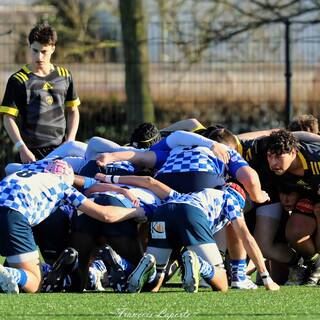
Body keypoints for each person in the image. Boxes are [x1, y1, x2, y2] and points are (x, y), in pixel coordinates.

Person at [94, 174, 279, 293]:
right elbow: (245, 235)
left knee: (155, 284)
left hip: (163, 212)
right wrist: (266, 277)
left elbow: (151, 182)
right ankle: (198, 264)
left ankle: (149, 267)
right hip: (191, 214)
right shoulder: (232, 199)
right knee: (222, 283)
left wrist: (109, 178)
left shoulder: (199, 193)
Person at [0, 159, 146, 294]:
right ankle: (14, 274)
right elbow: (105, 215)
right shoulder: (63, 186)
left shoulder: (28, 173)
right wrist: (136, 211)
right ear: (69, 177)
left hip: (9, 207)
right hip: (14, 215)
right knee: (33, 283)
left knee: (17, 262)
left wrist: (121, 190)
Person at [0, 22, 80, 163]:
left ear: (53, 49)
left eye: (44, 52)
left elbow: (73, 110)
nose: (39, 57)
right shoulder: (18, 80)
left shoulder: (65, 75)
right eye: (35, 51)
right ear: (29, 47)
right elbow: (8, 118)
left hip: (61, 151)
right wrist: (21, 148)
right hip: (31, 153)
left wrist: (70, 142)